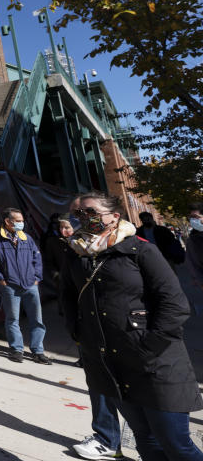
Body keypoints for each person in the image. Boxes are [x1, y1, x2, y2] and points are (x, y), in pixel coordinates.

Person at [62, 192, 203, 461]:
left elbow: (174, 303)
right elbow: (68, 298)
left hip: (155, 363)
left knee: (176, 444)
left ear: (114, 217)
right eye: (76, 213)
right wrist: (80, 336)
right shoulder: (76, 254)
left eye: (89, 212)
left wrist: (150, 345)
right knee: (146, 442)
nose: (81, 218)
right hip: (112, 365)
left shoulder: (140, 250)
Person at [0, 207, 51, 364]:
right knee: (13, 319)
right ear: (8, 221)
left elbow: (37, 258)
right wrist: (0, 279)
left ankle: (38, 351)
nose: (22, 224)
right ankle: (16, 349)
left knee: (37, 319)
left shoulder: (26, 238)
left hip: (30, 285)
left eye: (22, 221)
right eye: (18, 221)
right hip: (10, 286)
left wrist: (36, 278)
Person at [187, 202, 203, 290]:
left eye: (196, 217)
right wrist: (197, 278)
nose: (193, 221)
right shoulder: (192, 239)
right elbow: (191, 261)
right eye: (191, 217)